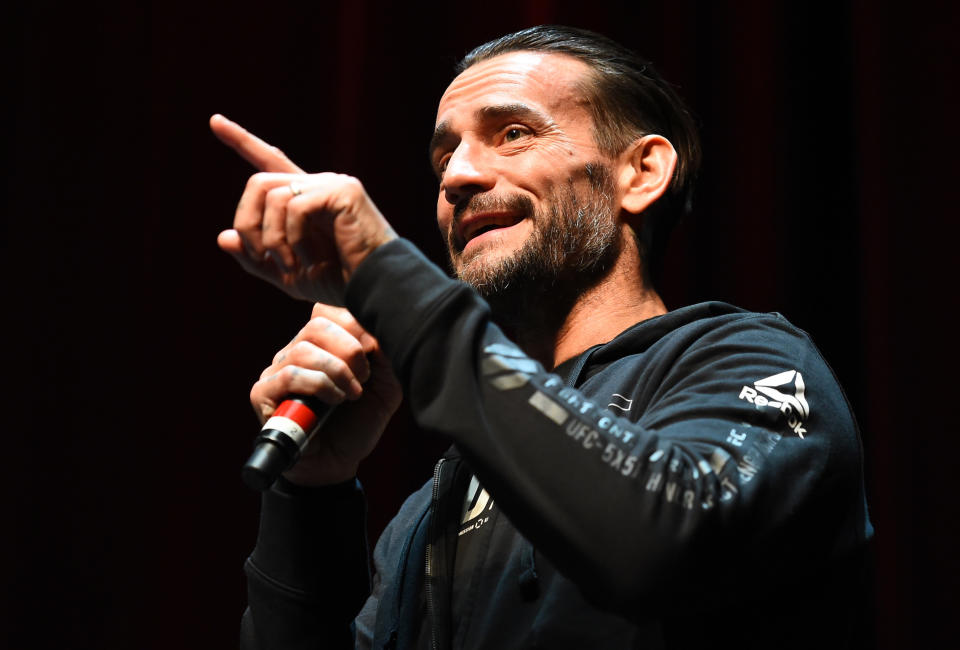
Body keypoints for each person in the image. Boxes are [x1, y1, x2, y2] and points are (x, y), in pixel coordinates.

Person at [212, 26, 873, 649]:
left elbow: (664, 542)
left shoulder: (755, 362)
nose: (456, 178)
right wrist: (312, 494)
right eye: (445, 156)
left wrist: (391, 282)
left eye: (514, 133)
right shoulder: (433, 507)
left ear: (640, 173)